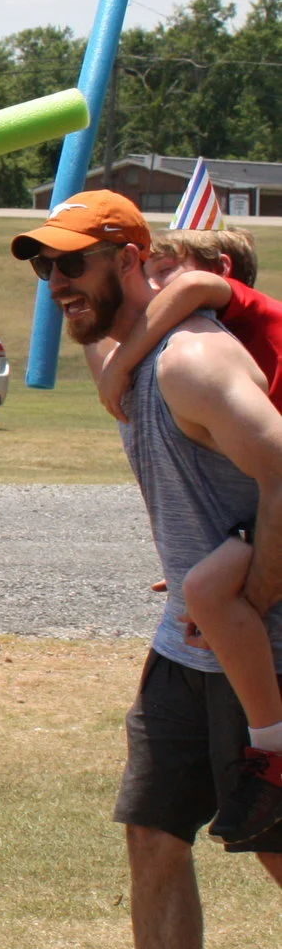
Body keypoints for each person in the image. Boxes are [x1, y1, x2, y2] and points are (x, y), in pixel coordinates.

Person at [20, 191, 282, 949]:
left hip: (264, 639)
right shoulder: (127, 357)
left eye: (73, 265)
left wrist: (251, 593)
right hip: (188, 650)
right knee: (154, 834)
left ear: (132, 259)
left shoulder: (193, 360)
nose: (56, 285)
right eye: (45, 269)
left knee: (281, 849)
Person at [88, 227, 282, 845]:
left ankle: (273, 752)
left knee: (210, 594)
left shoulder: (228, 308)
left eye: (164, 269)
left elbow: (192, 286)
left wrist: (118, 366)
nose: (158, 287)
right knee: (203, 588)